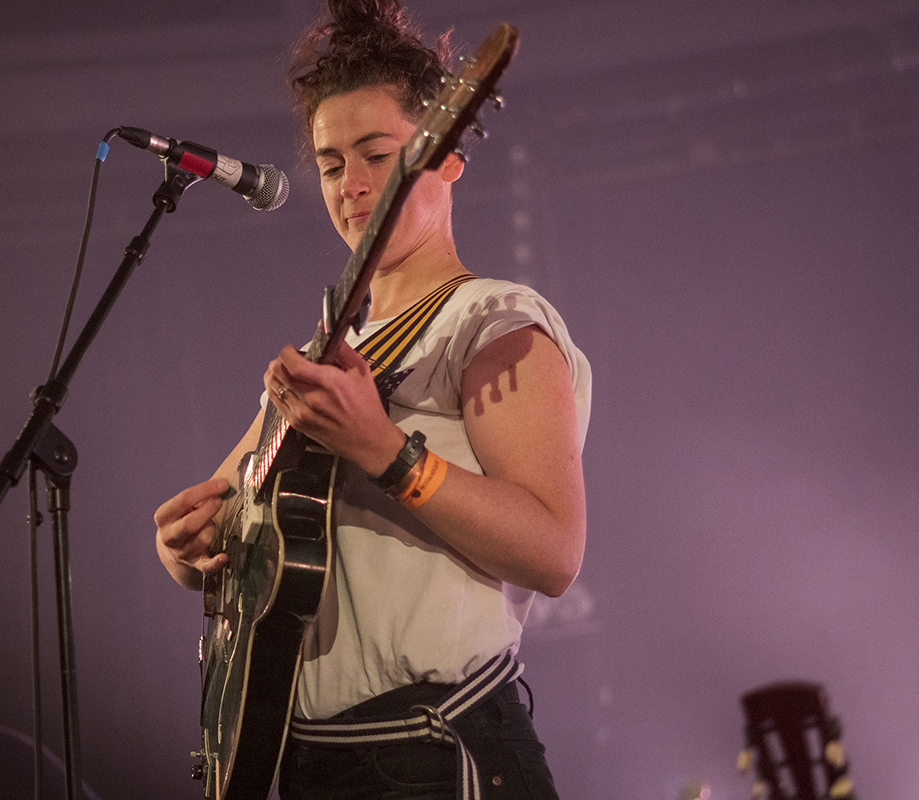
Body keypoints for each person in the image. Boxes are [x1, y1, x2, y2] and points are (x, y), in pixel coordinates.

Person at [154, 1, 591, 797]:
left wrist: (385, 452)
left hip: (436, 753)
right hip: (309, 764)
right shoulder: (331, 353)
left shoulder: (492, 322)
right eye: (329, 163)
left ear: (448, 156)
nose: (351, 185)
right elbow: (234, 516)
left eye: (377, 154)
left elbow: (554, 553)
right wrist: (185, 549)